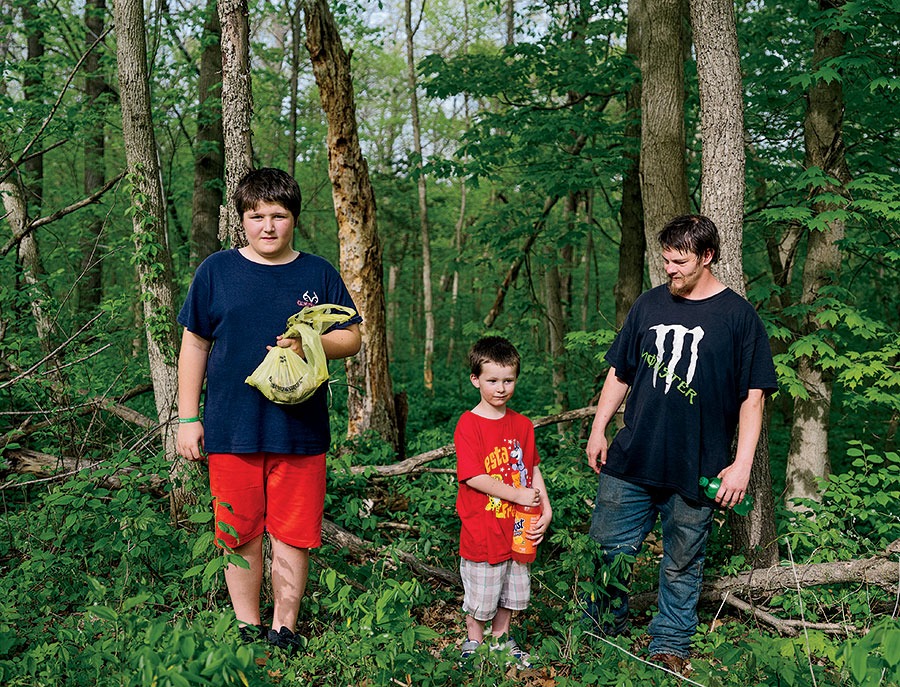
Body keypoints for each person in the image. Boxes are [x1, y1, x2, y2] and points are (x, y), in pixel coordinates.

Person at [175, 168, 362, 652]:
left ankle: (285, 627)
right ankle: (246, 626)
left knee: (294, 532)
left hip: (299, 429)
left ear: (293, 218)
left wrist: (310, 341)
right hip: (230, 425)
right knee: (238, 529)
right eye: (256, 216)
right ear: (242, 219)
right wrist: (188, 417)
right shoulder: (216, 271)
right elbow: (194, 344)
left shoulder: (317, 273)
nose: (268, 226)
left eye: (278, 216)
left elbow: (352, 336)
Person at [584, 215, 777, 675]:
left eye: (680, 262)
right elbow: (620, 371)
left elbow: (754, 399)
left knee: (682, 563)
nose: (669, 269)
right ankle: (599, 632)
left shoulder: (738, 317)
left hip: (698, 464)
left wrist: (741, 465)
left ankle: (669, 643)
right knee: (607, 549)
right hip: (633, 456)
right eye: (665, 260)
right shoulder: (649, 305)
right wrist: (598, 427)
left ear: (707, 256)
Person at [454, 336, 553, 669]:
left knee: (513, 587)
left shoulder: (522, 425)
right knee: (483, 589)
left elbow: (532, 467)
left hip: (519, 526)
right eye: (492, 380)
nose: (500, 388)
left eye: (508, 380)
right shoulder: (469, 424)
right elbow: (472, 476)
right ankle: (474, 642)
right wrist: (517, 494)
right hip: (483, 526)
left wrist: (546, 508)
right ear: (475, 379)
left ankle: (501, 640)